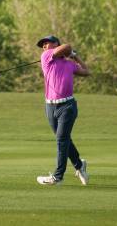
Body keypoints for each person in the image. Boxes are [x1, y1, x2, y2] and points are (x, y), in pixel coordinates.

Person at [35, 35, 90, 186]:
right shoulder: (46, 57)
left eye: (47, 43)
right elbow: (66, 47)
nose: (45, 46)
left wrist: (75, 56)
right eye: (43, 45)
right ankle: (79, 165)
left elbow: (86, 72)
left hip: (67, 106)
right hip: (50, 107)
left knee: (61, 139)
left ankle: (58, 176)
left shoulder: (69, 64)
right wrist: (69, 51)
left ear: (55, 44)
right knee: (64, 139)